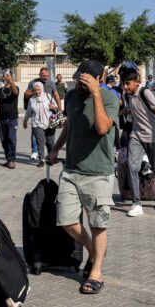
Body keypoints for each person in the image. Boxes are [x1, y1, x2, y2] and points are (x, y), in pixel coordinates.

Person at [48, 60, 119, 295]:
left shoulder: (110, 99)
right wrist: (57, 148)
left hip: (98, 172)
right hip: (71, 170)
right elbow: (70, 125)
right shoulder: (71, 97)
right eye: (79, 78)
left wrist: (97, 94)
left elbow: (102, 128)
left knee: (98, 224)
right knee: (66, 220)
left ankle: (96, 271)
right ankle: (92, 249)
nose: (81, 83)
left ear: (99, 79)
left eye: (86, 79)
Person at [120, 68, 155, 217]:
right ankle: (136, 203)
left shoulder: (145, 93)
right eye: (123, 83)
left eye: (128, 83)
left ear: (136, 81)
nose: (125, 87)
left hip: (153, 136)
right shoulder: (127, 96)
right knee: (132, 166)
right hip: (137, 135)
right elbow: (128, 110)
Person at [24, 68, 62, 160]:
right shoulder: (33, 82)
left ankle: (51, 155)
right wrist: (37, 91)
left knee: (50, 139)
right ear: (39, 75)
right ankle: (35, 151)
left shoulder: (51, 83)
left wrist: (60, 109)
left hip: (49, 113)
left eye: (47, 76)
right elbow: (26, 94)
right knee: (35, 134)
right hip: (36, 110)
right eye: (43, 76)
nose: (45, 78)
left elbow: (56, 95)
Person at [0, 70, 19, 169]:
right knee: (3, 140)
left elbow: (16, 92)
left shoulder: (15, 87)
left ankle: (12, 160)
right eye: (5, 76)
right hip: (1, 119)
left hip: (12, 119)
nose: (6, 78)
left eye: (8, 76)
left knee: (11, 139)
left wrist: (12, 82)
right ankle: (8, 159)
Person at [23, 82, 58, 167]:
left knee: (50, 142)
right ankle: (41, 160)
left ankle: (51, 157)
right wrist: (25, 121)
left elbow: (55, 106)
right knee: (40, 142)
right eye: (35, 90)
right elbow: (28, 112)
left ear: (42, 89)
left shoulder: (48, 96)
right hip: (36, 123)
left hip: (49, 123)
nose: (37, 92)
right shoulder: (32, 100)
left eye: (38, 89)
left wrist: (53, 107)